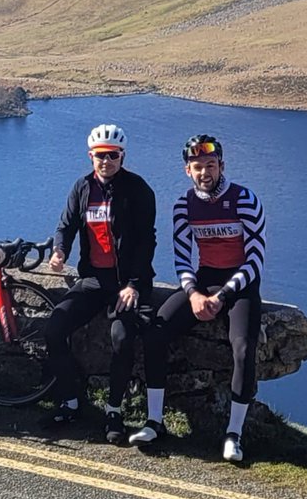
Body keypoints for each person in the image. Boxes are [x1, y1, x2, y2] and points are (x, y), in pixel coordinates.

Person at [129, 135, 267, 463]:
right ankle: (154, 421)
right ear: (187, 171)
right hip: (203, 281)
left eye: (211, 165)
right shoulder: (183, 205)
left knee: (243, 349)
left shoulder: (245, 199)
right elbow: (182, 259)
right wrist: (193, 294)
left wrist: (223, 295)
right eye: (198, 167)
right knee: (155, 331)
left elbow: (255, 259)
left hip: (241, 285)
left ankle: (234, 434)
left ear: (221, 166)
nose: (205, 172)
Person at [42, 123, 157, 444]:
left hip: (126, 283)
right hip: (93, 280)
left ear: (122, 156)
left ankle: (114, 410)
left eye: (112, 155)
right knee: (54, 330)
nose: (106, 161)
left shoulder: (138, 189)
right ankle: (70, 401)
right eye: (99, 155)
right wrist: (59, 251)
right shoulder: (82, 187)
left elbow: (147, 241)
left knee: (122, 339)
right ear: (90, 156)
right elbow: (66, 225)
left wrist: (134, 284)